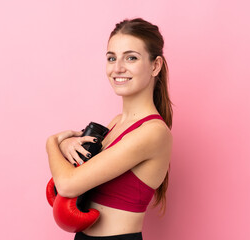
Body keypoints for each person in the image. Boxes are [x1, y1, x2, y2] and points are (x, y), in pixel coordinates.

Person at [46, 18, 173, 240]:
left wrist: (51, 143)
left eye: (131, 58)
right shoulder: (115, 123)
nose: (117, 68)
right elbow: (80, 174)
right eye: (111, 58)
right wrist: (67, 144)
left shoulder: (154, 132)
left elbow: (67, 184)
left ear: (155, 66)